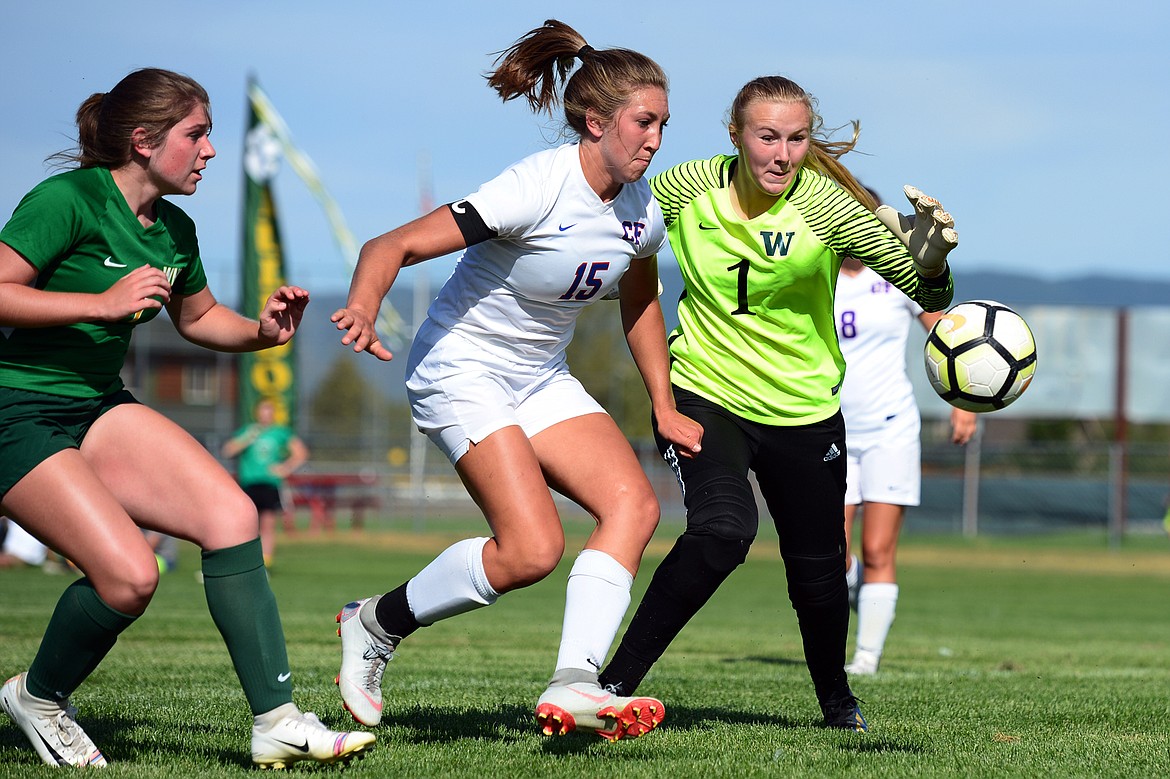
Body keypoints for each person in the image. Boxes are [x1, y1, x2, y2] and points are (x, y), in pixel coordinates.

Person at [329, 20, 701, 741]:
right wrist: (364, 306)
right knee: (531, 549)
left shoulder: (641, 210)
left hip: (538, 377)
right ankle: (374, 623)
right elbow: (393, 244)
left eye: (663, 124)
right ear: (595, 122)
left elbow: (641, 297)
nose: (655, 139)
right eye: (643, 122)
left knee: (633, 506)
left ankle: (575, 682)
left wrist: (663, 402)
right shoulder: (536, 186)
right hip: (460, 367)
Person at [0, 68, 374, 769]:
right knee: (131, 577)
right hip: (13, 406)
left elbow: (200, 319)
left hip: (94, 403)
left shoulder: (174, 229)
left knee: (232, 517)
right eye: (195, 135)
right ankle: (39, 696)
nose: (208, 151)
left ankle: (277, 720)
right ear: (143, 141)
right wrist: (100, 303)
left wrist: (265, 330)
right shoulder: (67, 200)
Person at [596, 75, 958, 731]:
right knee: (723, 531)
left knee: (820, 574)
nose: (782, 153)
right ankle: (610, 685)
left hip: (804, 412)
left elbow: (922, 285)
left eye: (796, 139)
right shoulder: (685, 187)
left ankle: (837, 701)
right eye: (767, 136)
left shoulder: (827, 206)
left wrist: (932, 267)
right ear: (735, 135)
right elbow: (610, 221)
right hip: (705, 394)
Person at [836, 228, 977, 675]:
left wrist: (962, 403)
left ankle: (866, 657)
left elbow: (948, 339)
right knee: (828, 549)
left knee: (878, 548)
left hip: (890, 429)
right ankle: (858, 588)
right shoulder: (817, 273)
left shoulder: (899, 276)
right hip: (829, 429)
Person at [222, 397, 309, 567]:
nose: (266, 414)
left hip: (270, 484)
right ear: (257, 413)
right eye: (263, 410)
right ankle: (240, 562)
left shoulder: (280, 433)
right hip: (249, 484)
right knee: (245, 525)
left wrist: (285, 467)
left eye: (269, 410)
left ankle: (265, 563)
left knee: (267, 525)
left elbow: (301, 453)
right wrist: (248, 438)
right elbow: (228, 450)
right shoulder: (248, 431)